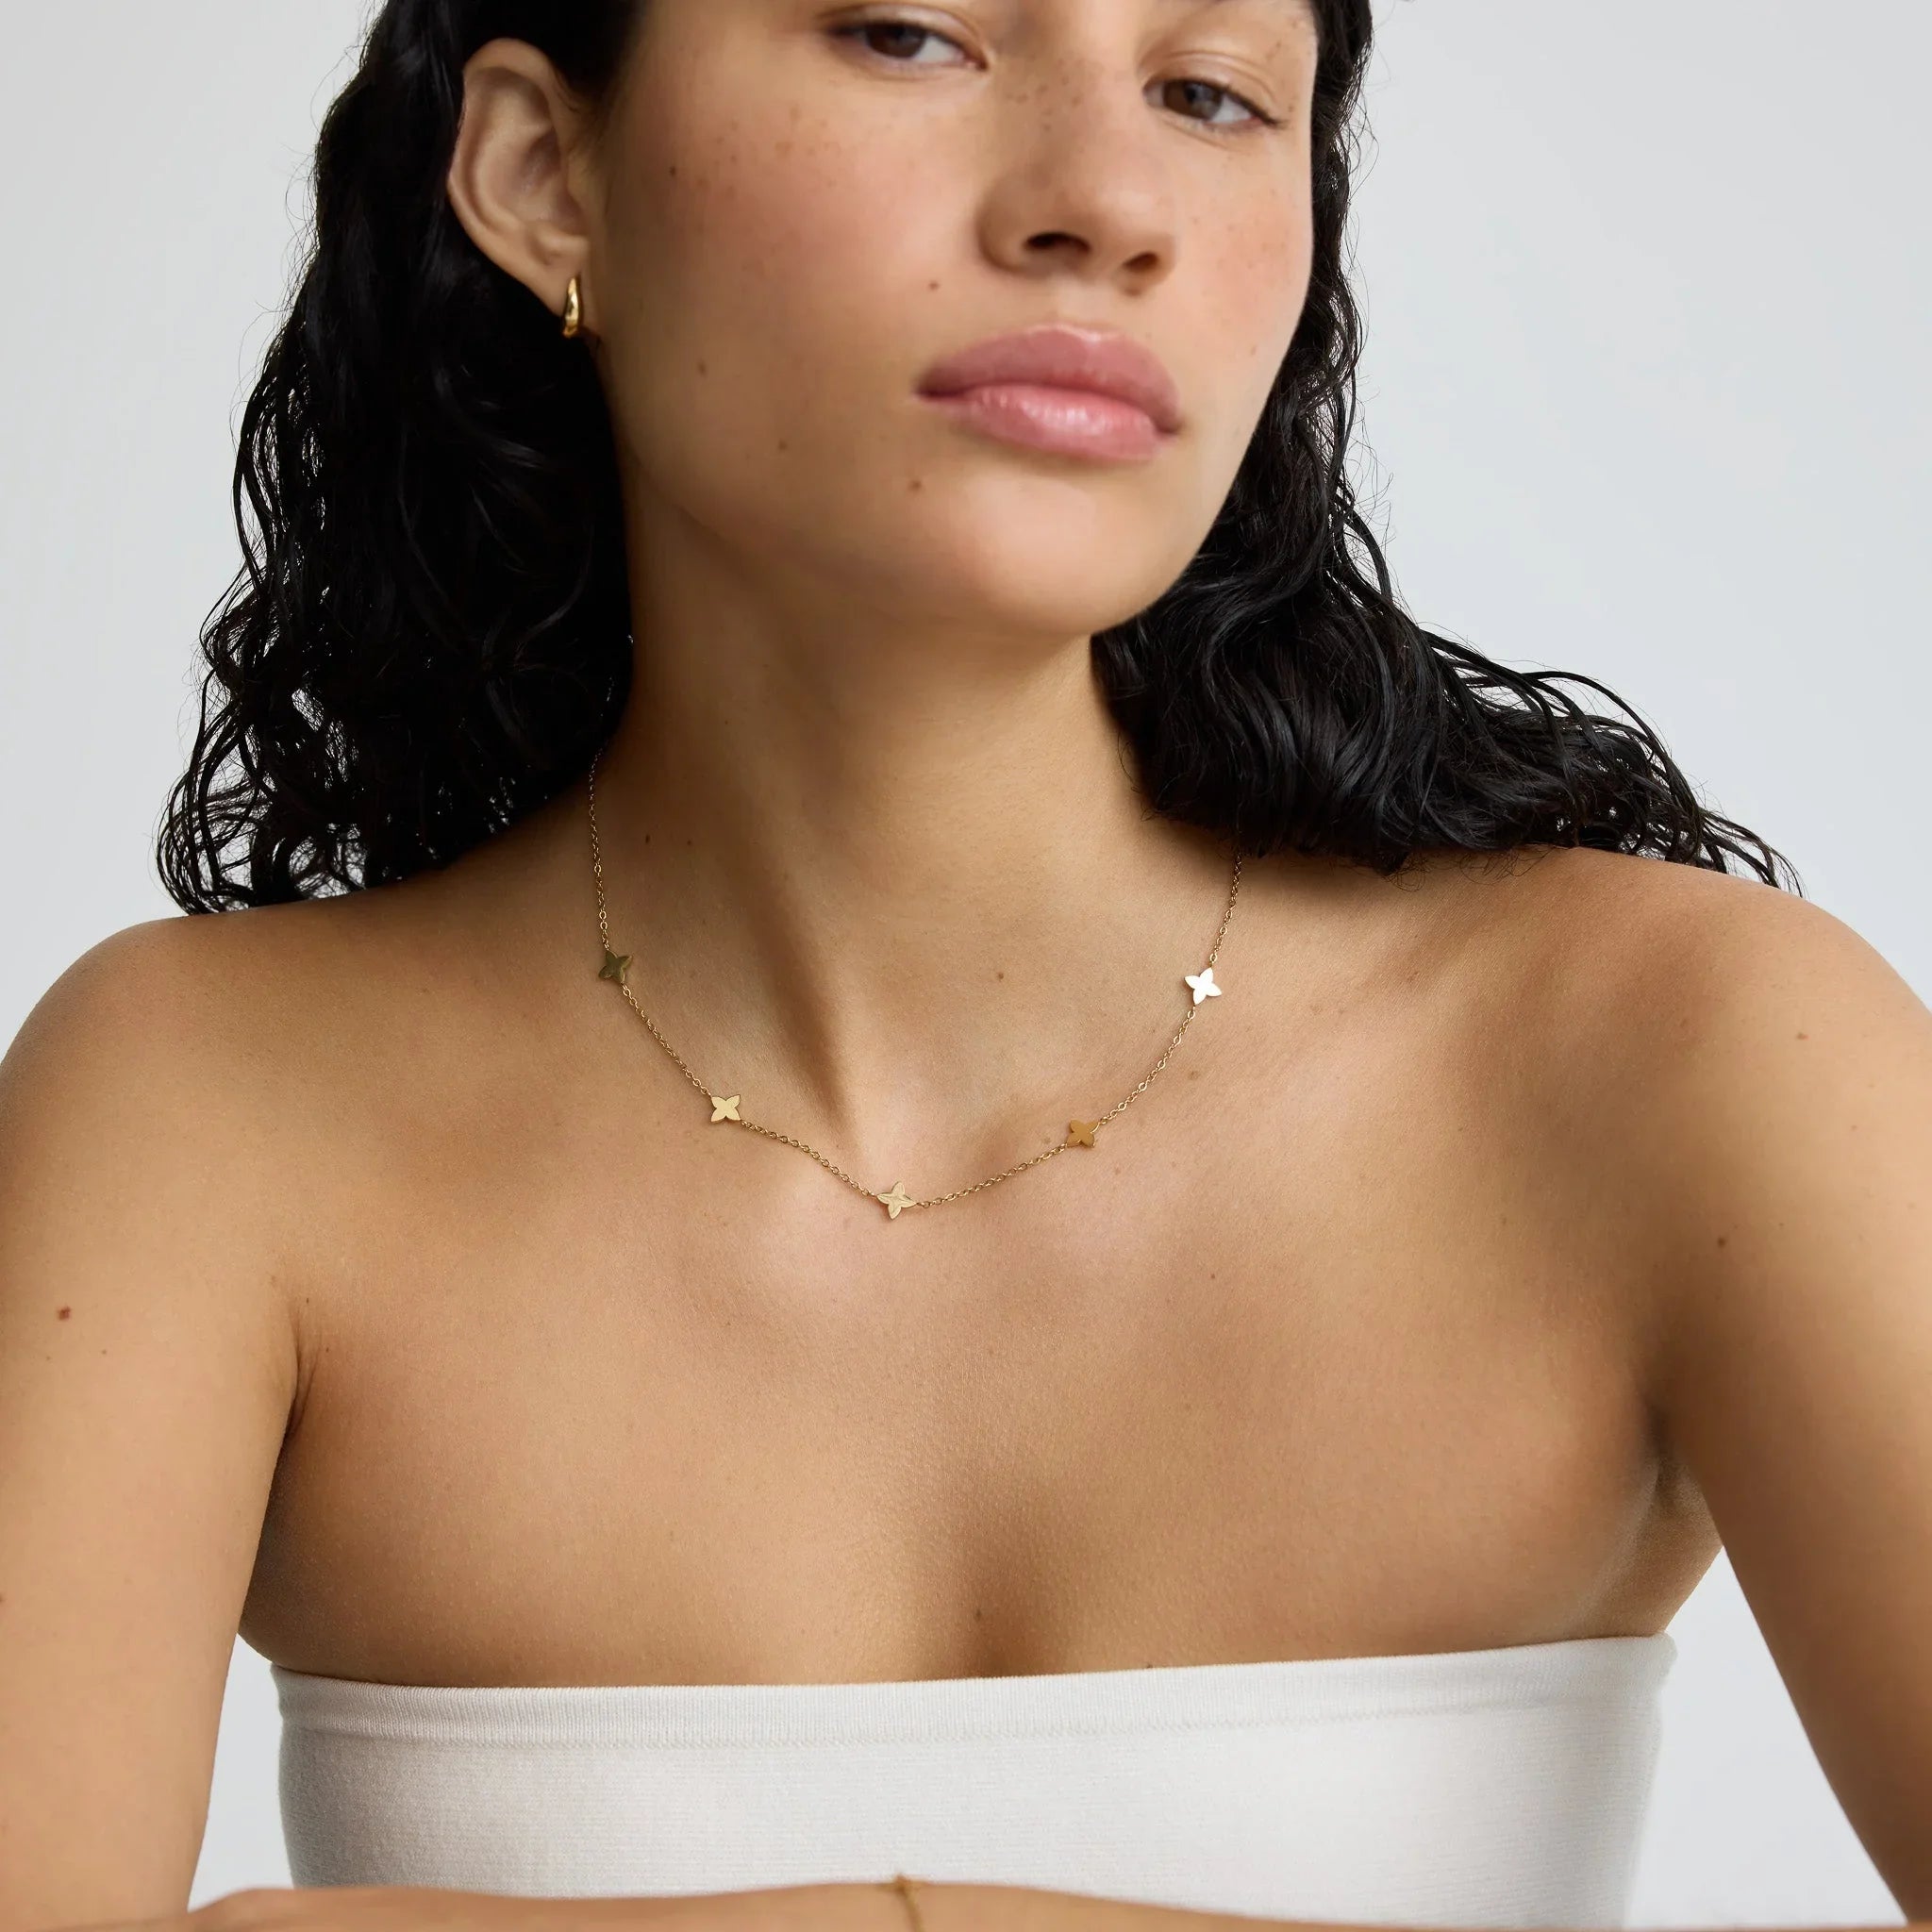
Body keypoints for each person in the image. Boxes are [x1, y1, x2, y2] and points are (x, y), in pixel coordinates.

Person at [2, 2, 1928, 1929]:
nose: (1105, 203)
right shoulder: (202, 1113)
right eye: (912, 35)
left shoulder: (1685, 1056)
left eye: (1208, 94)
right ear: (543, 175)